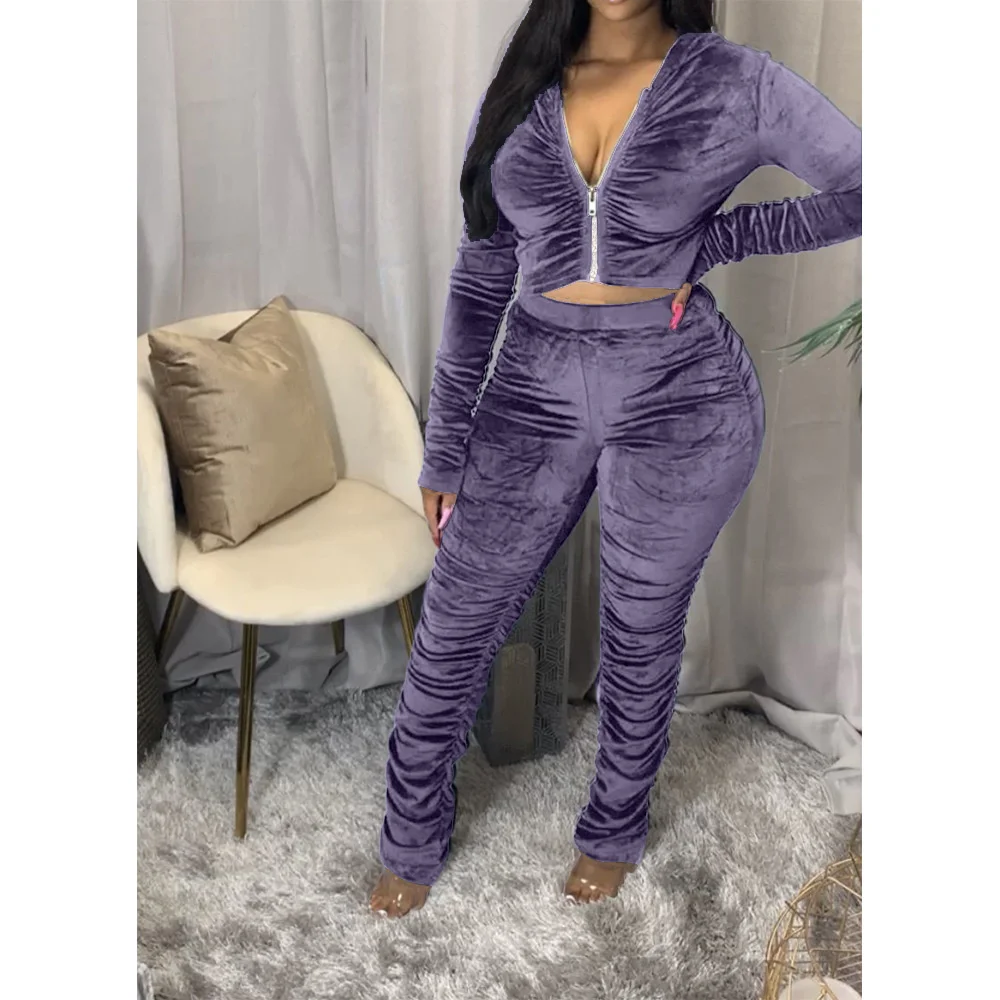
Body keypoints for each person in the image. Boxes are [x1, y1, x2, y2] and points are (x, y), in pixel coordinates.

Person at [370, 0, 861, 917]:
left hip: (682, 393)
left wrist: (719, 239)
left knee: (640, 633)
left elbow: (867, 183)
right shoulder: (522, 87)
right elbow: (481, 274)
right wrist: (445, 448)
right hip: (530, 386)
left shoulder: (731, 81)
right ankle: (409, 836)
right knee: (454, 624)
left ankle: (611, 833)